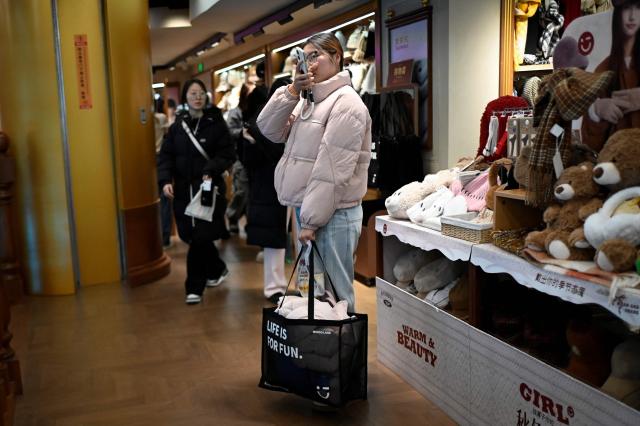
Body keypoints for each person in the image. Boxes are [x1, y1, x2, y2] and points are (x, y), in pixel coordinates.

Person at [257, 33, 372, 312]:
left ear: (337, 57)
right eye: (304, 57)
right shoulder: (309, 99)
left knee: (334, 297)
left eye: (315, 56)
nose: (308, 63)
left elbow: (330, 171)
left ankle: (340, 352)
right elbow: (268, 128)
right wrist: (291, 91)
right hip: (310, 210)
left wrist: (309, 221)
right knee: (314, 293)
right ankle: (318, 351)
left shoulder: (346, 104)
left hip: (332, 214)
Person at [157, 79, 235, 305]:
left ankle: (194, 287)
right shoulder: (177, 127)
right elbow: (166, 157)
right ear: (185, 98)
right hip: (183, 191)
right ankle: (217, 269)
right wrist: (165, 181)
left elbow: (228, 154)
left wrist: (211, 169)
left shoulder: (216, 123)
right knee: (191, 236)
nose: (197, 97)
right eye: (192, 93)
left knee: (200, 236)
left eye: (201, 93)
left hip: (209, 191)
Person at [242, 77, 290, 304]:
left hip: (298, 186)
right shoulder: (258, 123)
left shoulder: (302, 115)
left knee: (303, 238)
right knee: (275, 238)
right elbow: (249, 159)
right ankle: (275, 287)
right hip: (270, 188)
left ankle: (306, 285)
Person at [582, 0, 640, 151]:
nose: (632, 16)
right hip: (615, 164)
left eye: (638, 8)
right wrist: (596, 110)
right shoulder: (605, 68)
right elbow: (589, 144)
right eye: (627, 8)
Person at [225, 84, 253, 234]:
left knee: (251, 193)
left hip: (252, 158)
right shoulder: (235, 113)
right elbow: (229, 132)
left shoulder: (254, 111)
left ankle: (249, 222)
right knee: (241, 191)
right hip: (238, 158)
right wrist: (243, 132)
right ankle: (232, 216)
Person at [154, 98, 172, 247]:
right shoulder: (161, 118)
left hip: (145, 160)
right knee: (164, 200)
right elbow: (167, 134)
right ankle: (165, 237)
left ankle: (154, 236)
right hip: (160, 158)